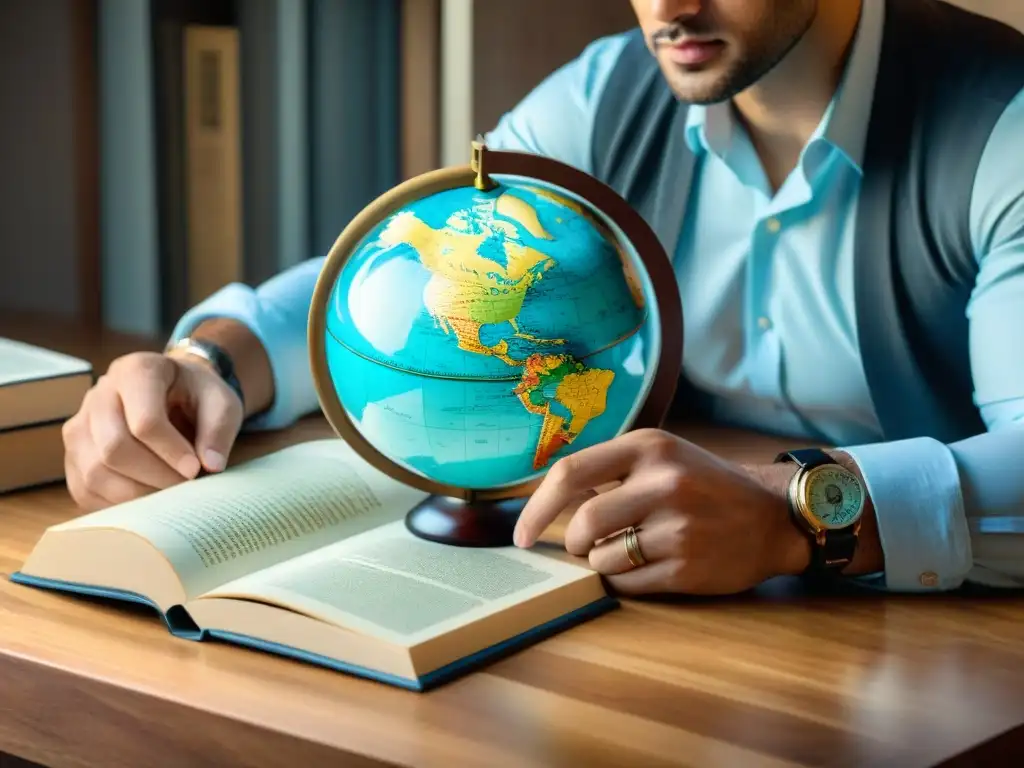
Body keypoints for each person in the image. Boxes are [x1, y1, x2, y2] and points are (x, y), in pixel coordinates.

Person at [63, 0, 1024, 596]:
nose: (672, 8)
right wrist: (207, 360)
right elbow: (414, 266)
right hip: (624, 596)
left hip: (916, 649)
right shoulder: (609, 91)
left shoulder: (1000, 124)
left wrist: (793, 517)